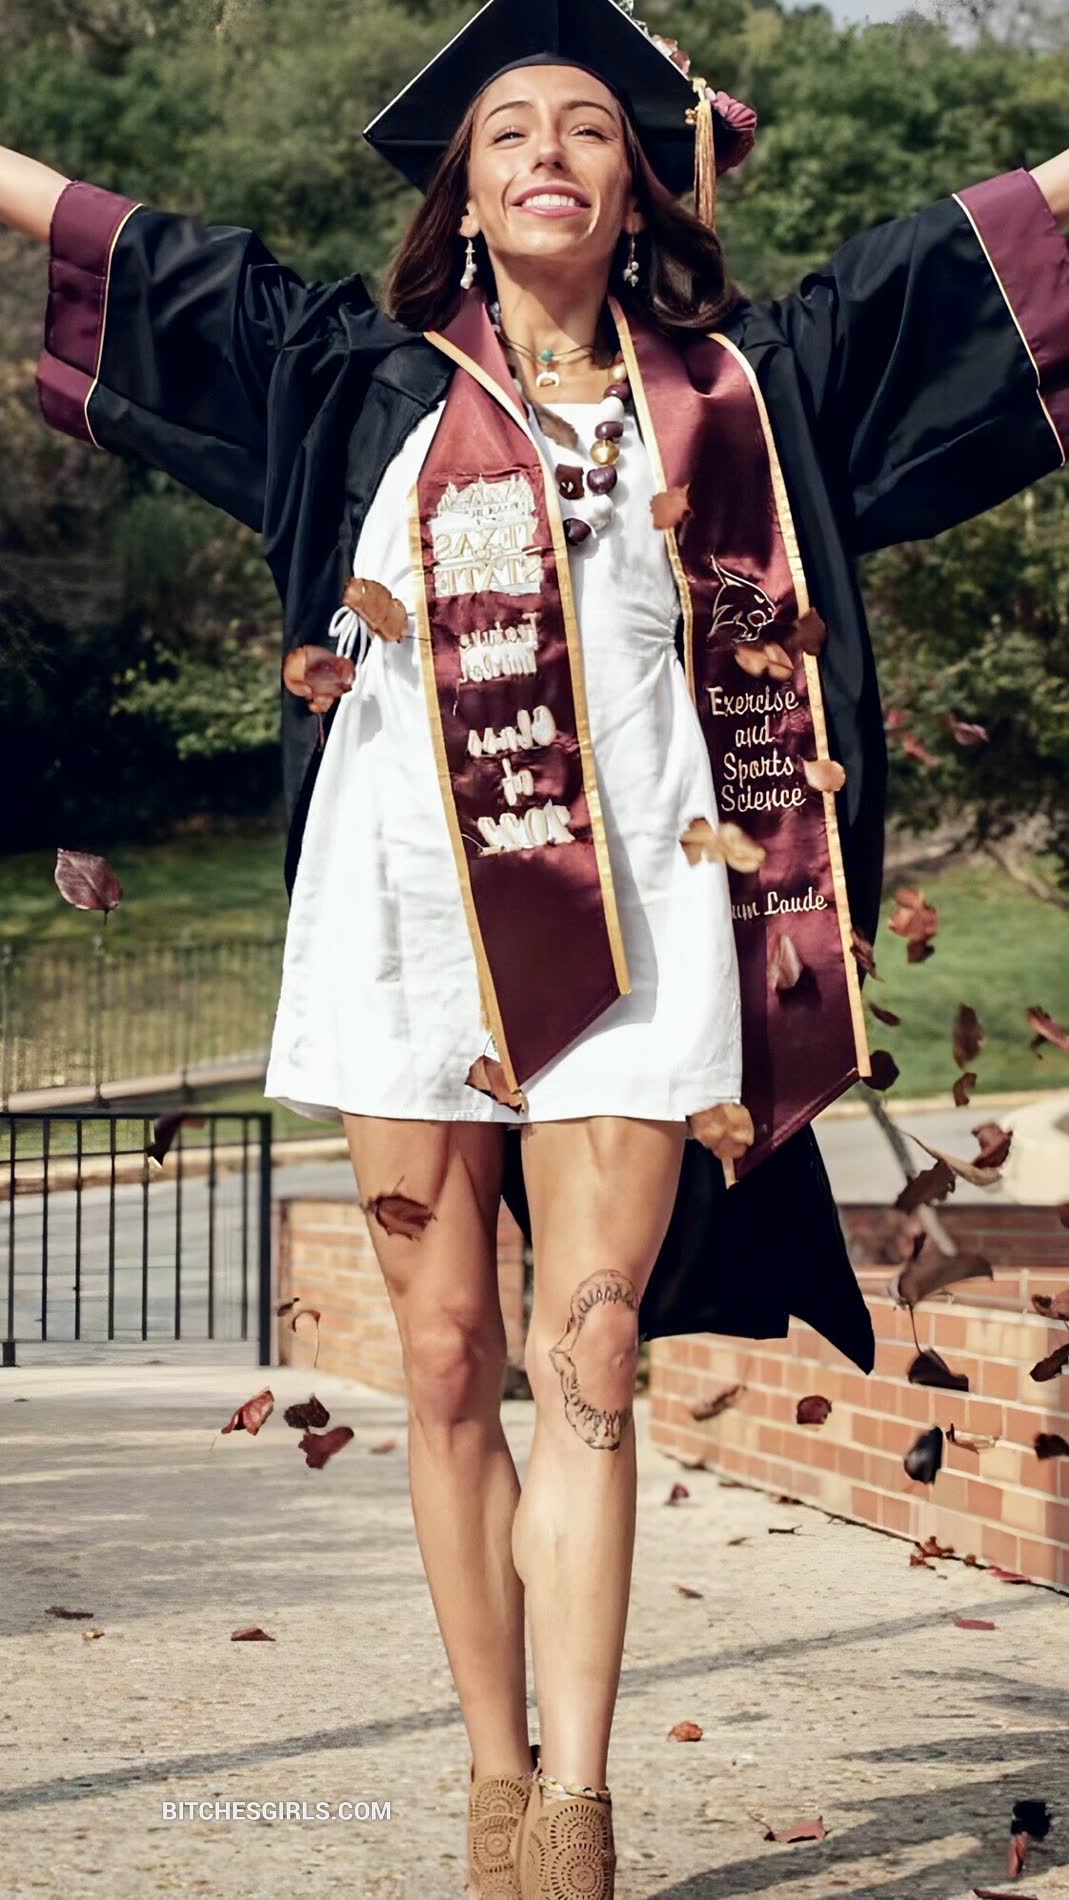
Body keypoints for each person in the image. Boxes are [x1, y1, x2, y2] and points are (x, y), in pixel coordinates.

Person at [5, 0, 1068, 1889]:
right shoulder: (359, 384)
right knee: (442, 1362)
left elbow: (944, 266)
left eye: (588, 126)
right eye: (507, 131)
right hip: (404, 929)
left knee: (590, 1355)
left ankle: (571, 1816)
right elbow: (155, 252)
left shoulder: (736, 391)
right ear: (465, 196)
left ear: (636, 183)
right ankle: (490, 1775)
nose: (549, 152)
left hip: (644, 937)